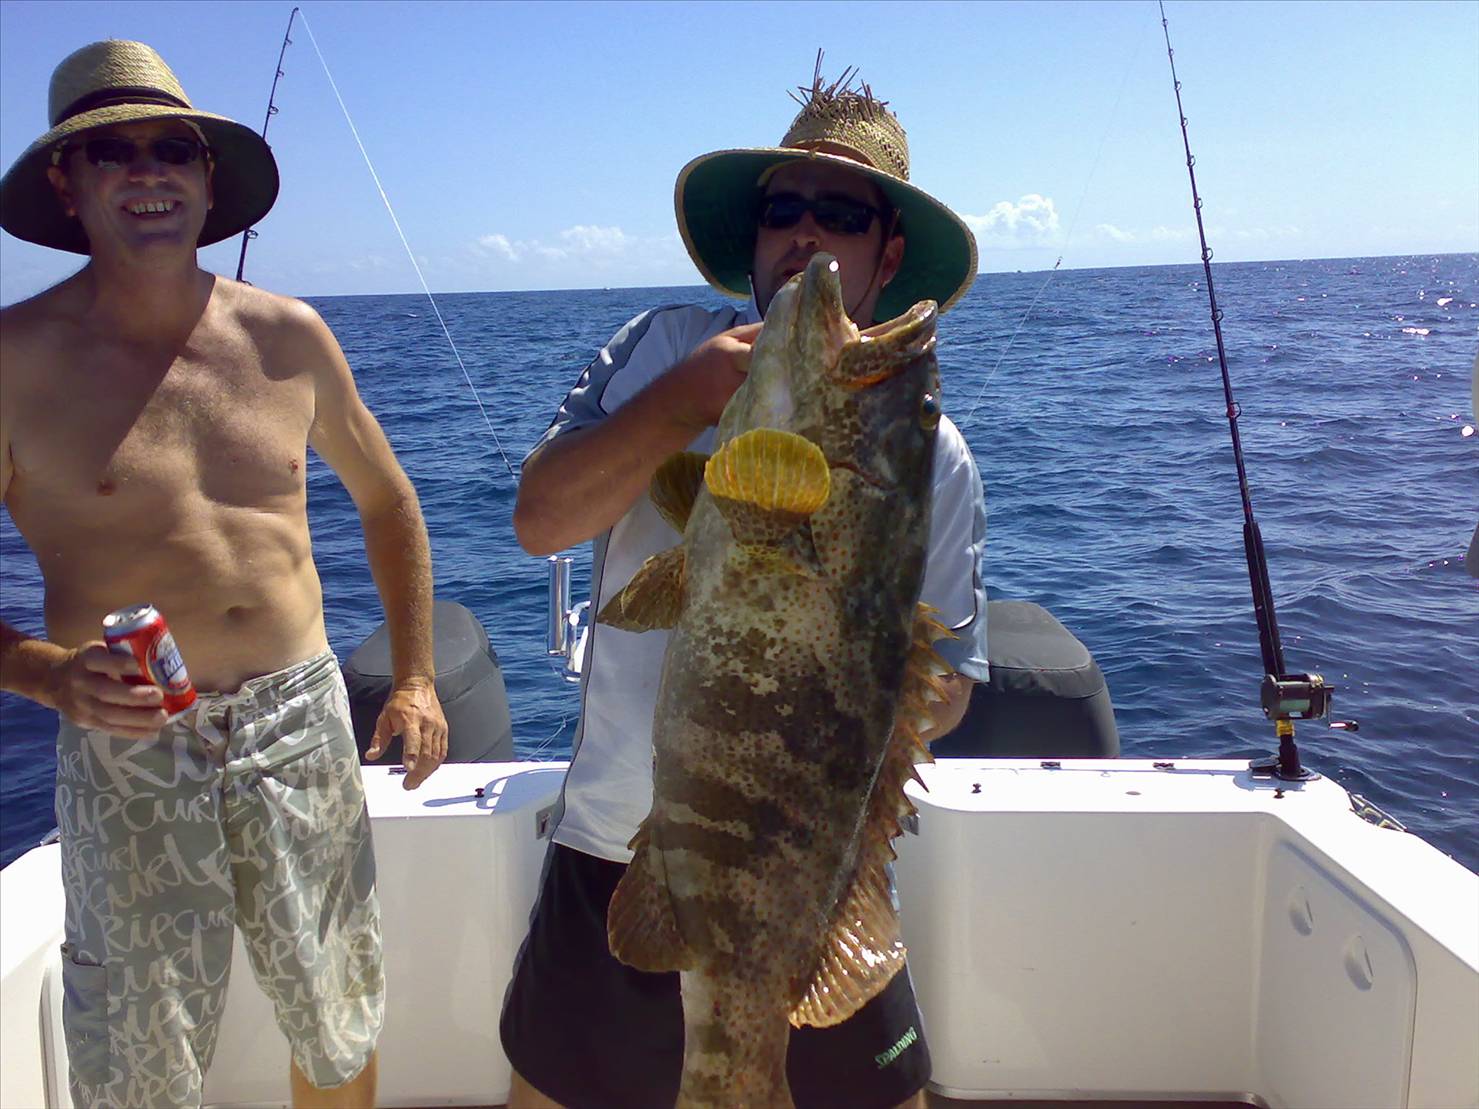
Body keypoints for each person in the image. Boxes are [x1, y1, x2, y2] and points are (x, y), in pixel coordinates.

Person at [505, 62, 989, 1109]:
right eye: (783, 208)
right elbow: (540, 518)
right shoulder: (659, 353)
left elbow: (946, 686)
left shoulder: (926, 451)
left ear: (887, 247)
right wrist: (683, 401)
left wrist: (867, 675)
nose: (804, 235)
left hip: (807, 876)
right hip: (607, 844)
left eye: (841, 212)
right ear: (756, 230)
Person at [0, 40, 448, 1108]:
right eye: (113, 152)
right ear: (68, 181)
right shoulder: (13, 360)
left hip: (301, 718)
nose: (148, 172)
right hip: (128, 739)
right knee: (138, 1057)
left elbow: (389, 502)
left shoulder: (289, 338)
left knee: (336, 1016)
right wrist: (49, 677)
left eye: (172, 150)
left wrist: (421, 676)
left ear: (206, 178)